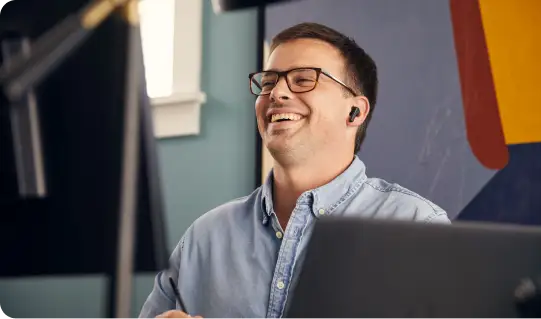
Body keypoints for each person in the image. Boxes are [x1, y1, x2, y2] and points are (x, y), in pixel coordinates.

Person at [140, 22, 450, 319]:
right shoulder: (203, 238)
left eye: (303, 79)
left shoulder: (420, 228)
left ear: (354, 111)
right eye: (269, 82)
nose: (277, 93)